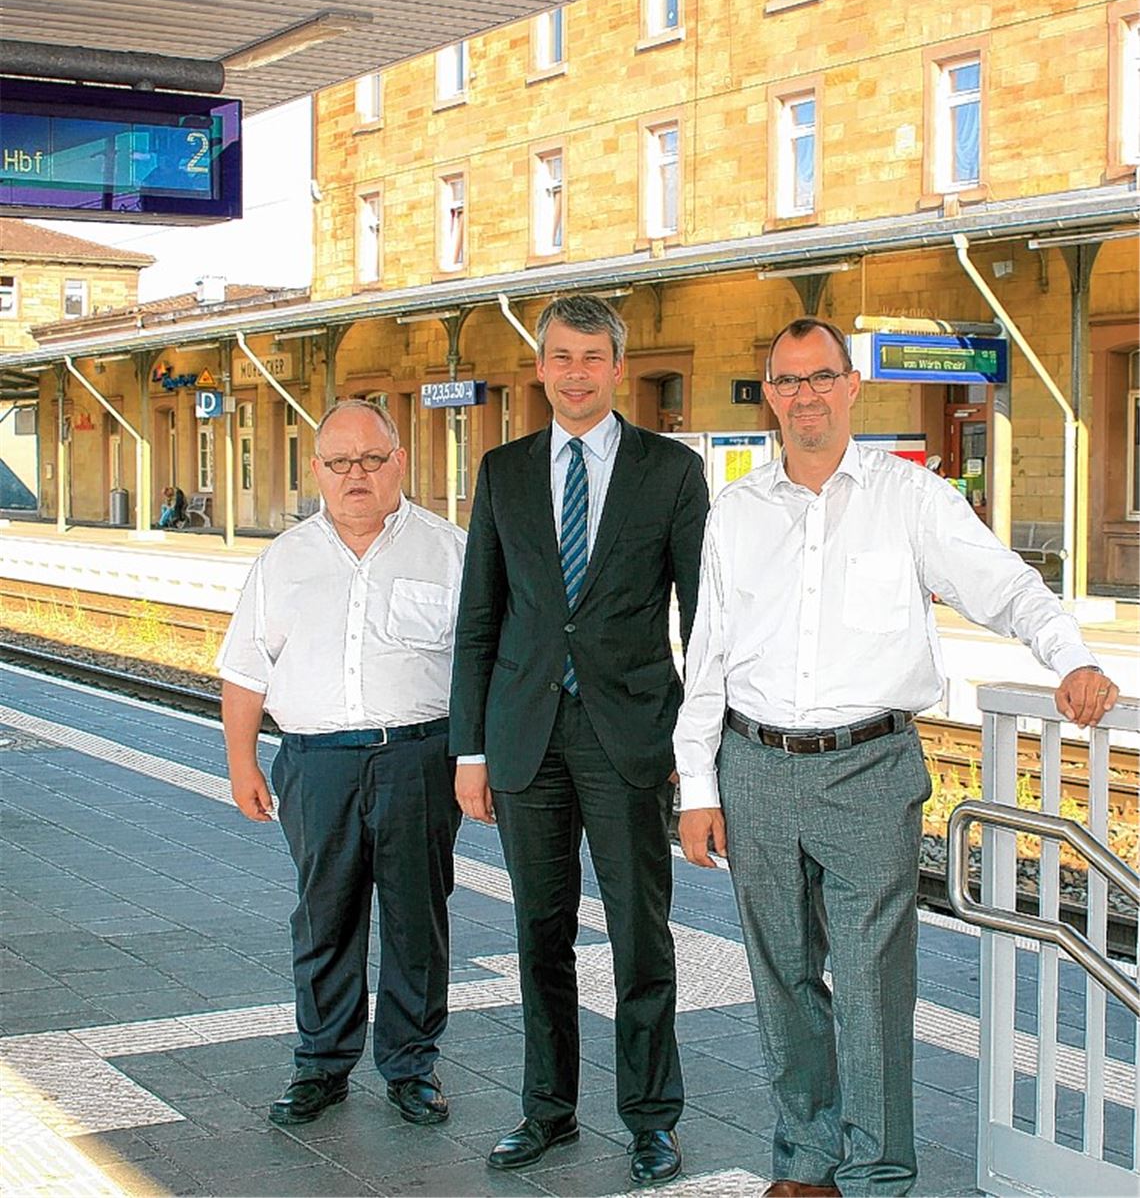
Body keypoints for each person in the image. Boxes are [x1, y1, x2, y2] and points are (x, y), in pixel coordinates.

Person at [674, 316, 1120, 1198]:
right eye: (788, 380)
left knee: (875, 987)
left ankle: (879, 1175)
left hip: (868, 771)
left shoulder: (908, 497)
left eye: (821, 376)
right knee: (782, 977)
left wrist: (1070, 655)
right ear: (770, 395)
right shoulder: (736, 511)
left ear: (852, 386)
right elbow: (709, 654)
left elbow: (1004, 585)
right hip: (754, 766)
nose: (805, 395)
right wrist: (696, 783)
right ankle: (805, 1163)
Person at [449, 294, 709, 1186]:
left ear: (616, 366)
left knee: (641, 935)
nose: (575, 372)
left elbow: (702, 622)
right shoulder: (504, 469)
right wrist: (469, 749)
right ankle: (547, 1111)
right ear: (541, 366)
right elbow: (479, 617)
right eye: (560, 356)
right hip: (525, 737)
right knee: (538, 932)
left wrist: (699, 748)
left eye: (591, 357)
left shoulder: (670, 471)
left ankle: (651, 1119)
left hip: (629, 736)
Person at [217, 400, 465, 1129]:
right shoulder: (283, 560)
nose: (356, 475)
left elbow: (480, 668)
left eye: (371, 459)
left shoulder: (450, 550)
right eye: (339, 462)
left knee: (418, 918)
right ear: (318, 469)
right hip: (314, 765)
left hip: (419, 759)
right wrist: (241, 764)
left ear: (400, 462)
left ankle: (411, 1067)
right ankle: (321, 1065)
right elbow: (243, 671)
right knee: (324, 916)